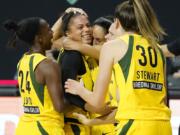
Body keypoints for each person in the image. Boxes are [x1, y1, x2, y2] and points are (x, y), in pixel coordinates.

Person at [65, 0, 172, 134]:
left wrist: (79, 89)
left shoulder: (112, 47)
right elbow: (163, 99)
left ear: (117, 22)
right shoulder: (157, 50)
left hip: (135, 126)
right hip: (163, 125)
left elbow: (97, 102)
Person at [3, 17, 65, 135]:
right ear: (39, 39)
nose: (52, 32)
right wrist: (81, 94)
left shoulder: (23, 61)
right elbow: (60, 106)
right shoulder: (48, 65)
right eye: (48, 30)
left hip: (25, 127)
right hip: (46, 128)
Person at [57, 10, 93, 135]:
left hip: (79, 122)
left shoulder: (78, 53)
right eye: (80, 27)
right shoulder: (72, 55)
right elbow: (67, 94)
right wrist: (91, 107)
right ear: (67, 33)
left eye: (88, 25)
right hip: (73, 125)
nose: (87, 29)